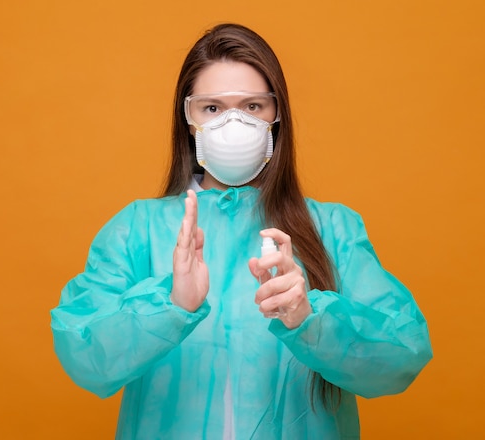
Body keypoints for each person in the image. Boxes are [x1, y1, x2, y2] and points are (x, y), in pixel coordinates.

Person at [50, 23, 432, 439]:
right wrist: (171, 304)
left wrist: (310, 317)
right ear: (188, 117)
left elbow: (403, 357)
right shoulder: (137, 229)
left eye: (253, 107)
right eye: (212, 108)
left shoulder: (332, 228)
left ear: (276, 115)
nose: (233, 123)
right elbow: (83, 357)